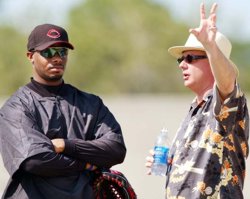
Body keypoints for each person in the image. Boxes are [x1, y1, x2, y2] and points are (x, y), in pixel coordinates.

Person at [0, 24, 126, 199]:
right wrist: (88, 165)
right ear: (30, 56)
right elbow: (35, 160)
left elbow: (116, 149)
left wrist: (67, 145)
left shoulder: (91, 103)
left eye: (62, 51)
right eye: (48, 52)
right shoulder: (17, 106)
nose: (57, 58)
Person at [146, 3, 249, 199]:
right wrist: (169, 162)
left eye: (191, 58)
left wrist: (210, 47)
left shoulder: (228, 101)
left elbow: (227, 83)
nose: (182, 65)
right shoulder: (195, 108)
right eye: (180, 60)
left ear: (212, 61)